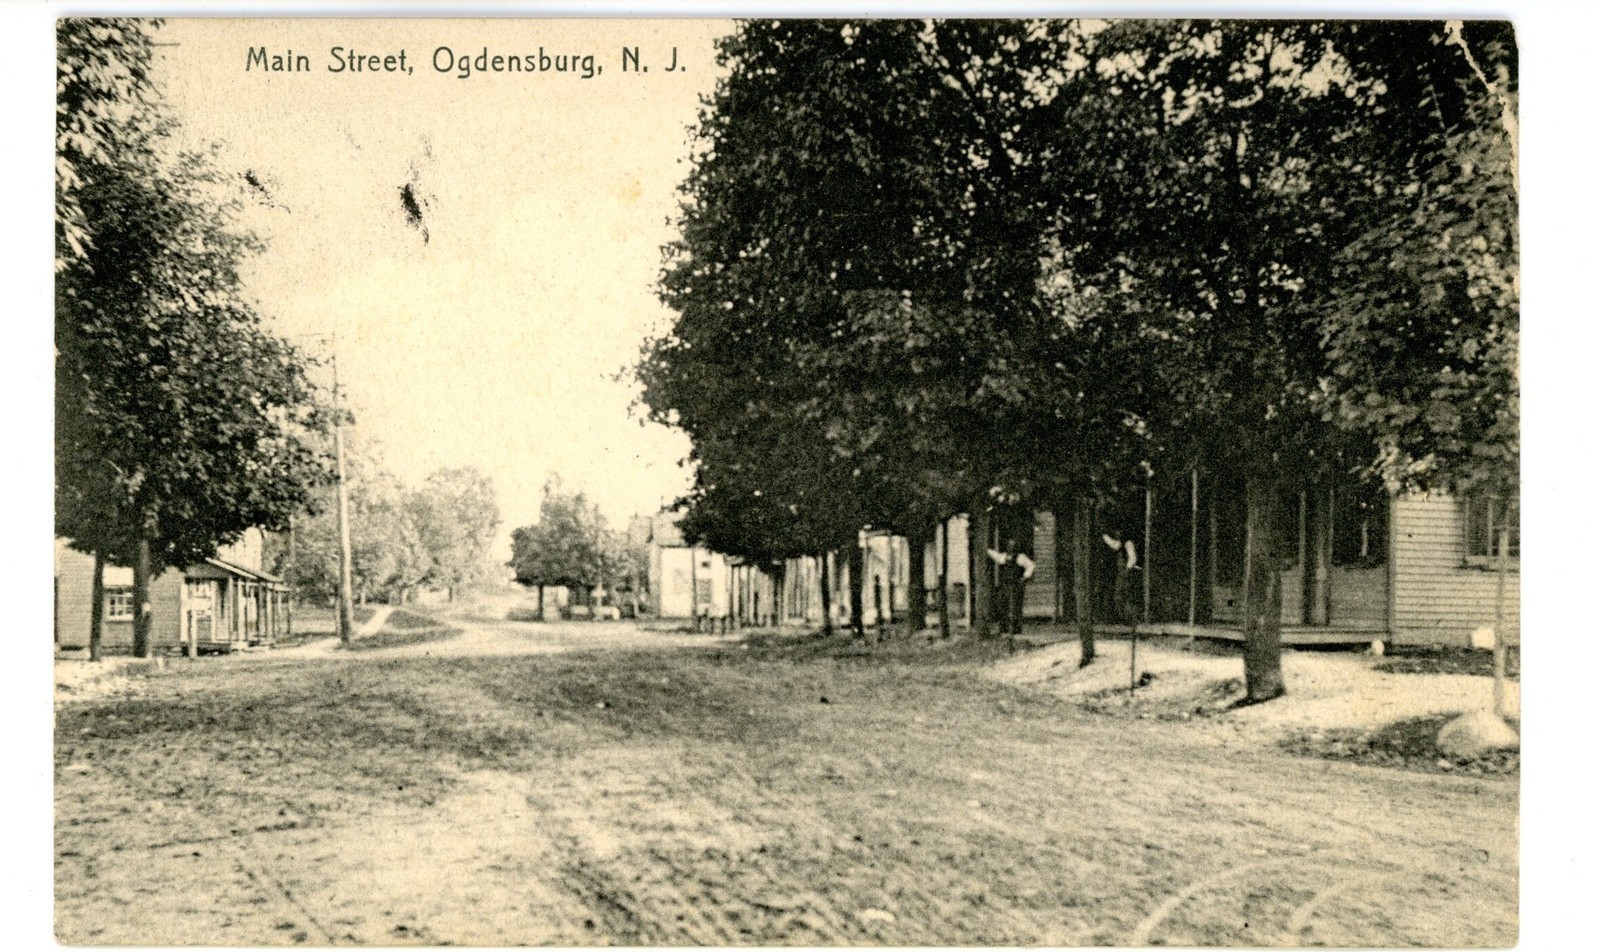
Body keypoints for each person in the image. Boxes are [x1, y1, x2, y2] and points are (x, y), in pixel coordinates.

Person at [985, 537, 1035, 636]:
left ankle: (1015, 629)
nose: (1011, 548)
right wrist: (986, 550)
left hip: (1016, 585)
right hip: (1005, 584)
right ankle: (1004, 628)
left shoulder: (1021, 557)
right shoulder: (1004, 557)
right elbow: (996, 556)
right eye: (1009, 546)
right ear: (1007, 547)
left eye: (1013, 546)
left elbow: (1031, 565)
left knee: (1015, 606)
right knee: (1003, 605)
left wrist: (1024, 577)